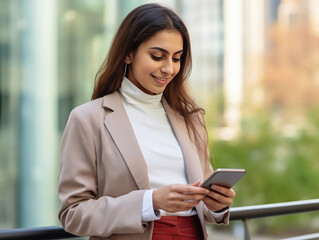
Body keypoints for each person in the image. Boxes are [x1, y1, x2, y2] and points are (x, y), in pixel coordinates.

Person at [58, 3, 236, 240]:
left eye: (177, 58)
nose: (168, 68)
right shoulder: (88, 119)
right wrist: (149, 202)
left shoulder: (191, 119)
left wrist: (218, 205)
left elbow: (203, 204)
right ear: (129, 53)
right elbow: (73, 214)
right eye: (157, 56)